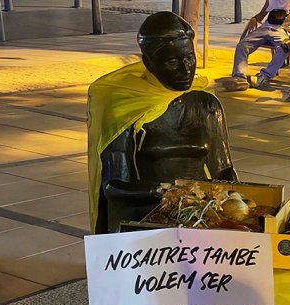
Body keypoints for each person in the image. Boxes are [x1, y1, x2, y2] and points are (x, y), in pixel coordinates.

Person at [87, 12, 237, 234]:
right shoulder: (126, 108)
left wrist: (232, 195)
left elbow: (223, 168)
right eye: (172, 62)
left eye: (189, 58)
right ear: (149, 62)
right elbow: (113, 185)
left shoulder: (206, 103)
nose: (186, 70)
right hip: (146, 213)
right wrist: (165, 192)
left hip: (199, 211)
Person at [225, 0, 290, 92]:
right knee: (242, 45)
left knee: (284, 48)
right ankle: (239, 77)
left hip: (281, 30)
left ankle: (265, 76)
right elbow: (261, 15)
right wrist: (254, 18)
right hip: (265, 28)